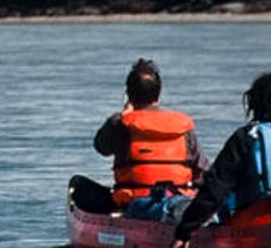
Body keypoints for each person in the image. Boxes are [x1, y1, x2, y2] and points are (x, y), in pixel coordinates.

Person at [167, 72, 271, 248]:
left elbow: (215, 189)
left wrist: (184, 233)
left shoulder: (247, 137)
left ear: (255, 105)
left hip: (254, 226)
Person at [70, 58, 209, 219]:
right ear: (158, 94)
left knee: (79, 186)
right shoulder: (183, 129)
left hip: (136, 204)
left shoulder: (121, 123)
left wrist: (123, 115)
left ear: (129, 94)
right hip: (178, 199)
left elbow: (101, 146)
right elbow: (204, 174)